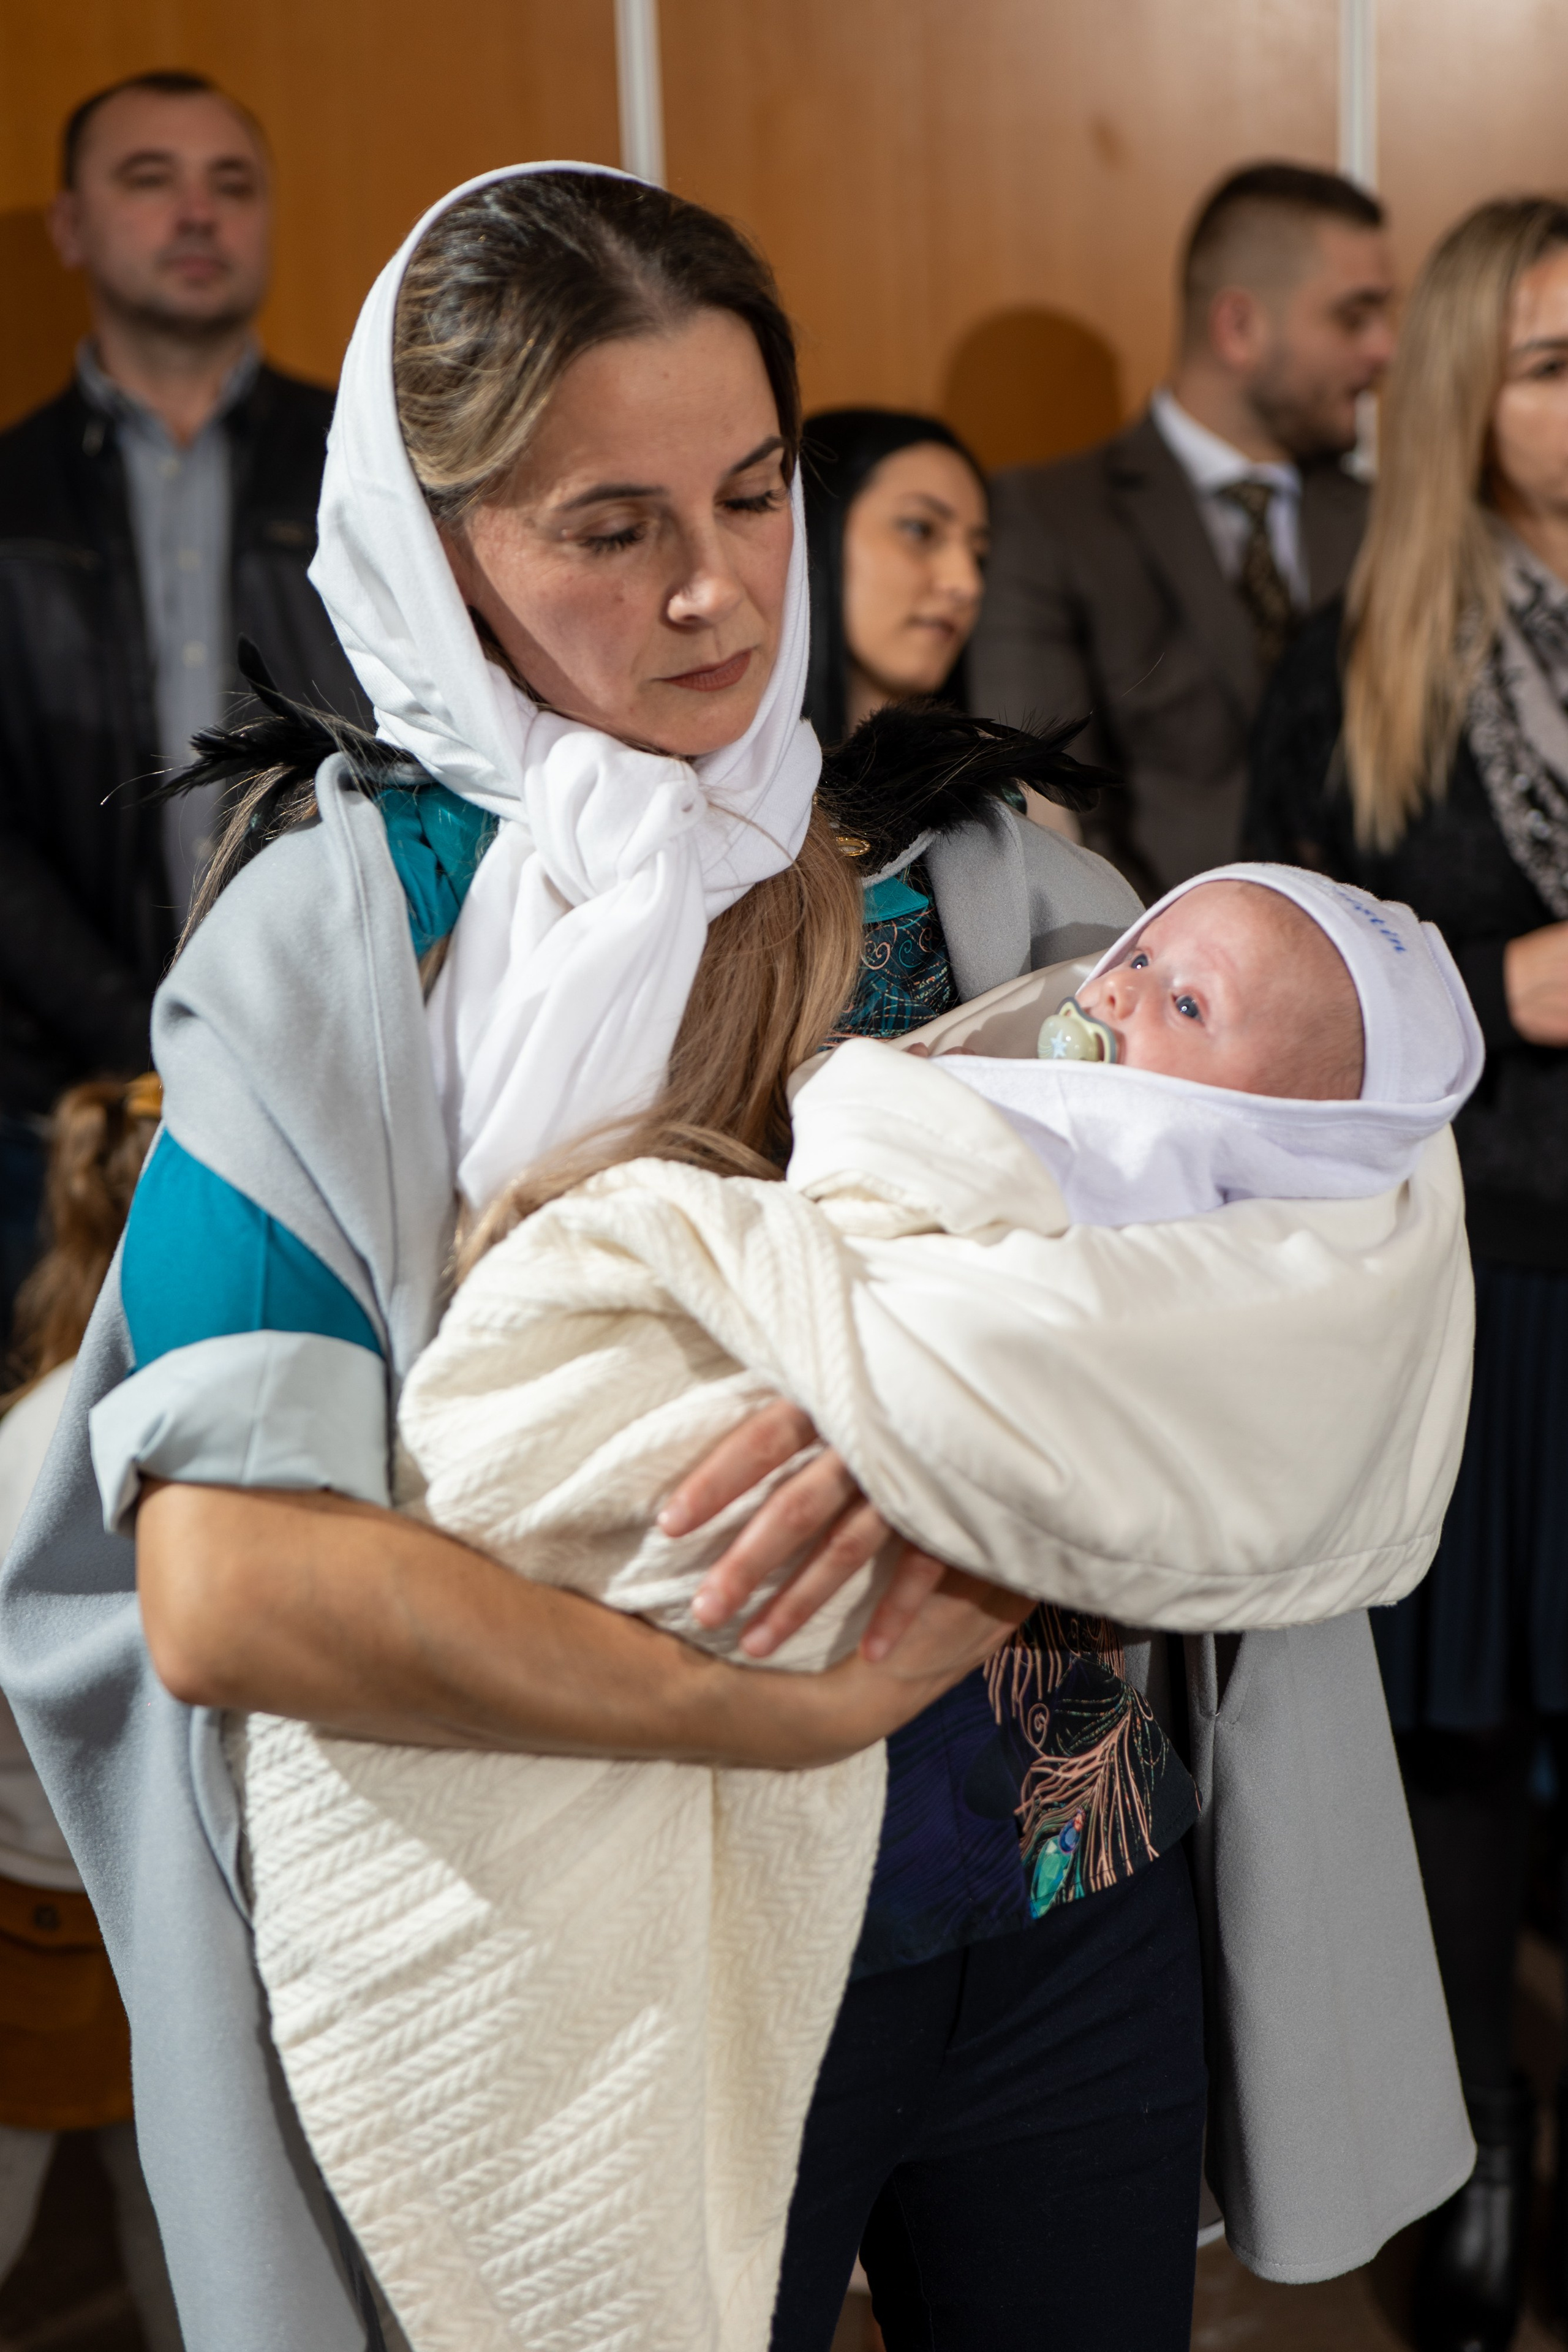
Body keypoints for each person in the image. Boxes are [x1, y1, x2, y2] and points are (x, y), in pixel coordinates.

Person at [0, 166, 1469, 2352]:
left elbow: (1326, 1243)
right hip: (630, 1963)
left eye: (757, 494)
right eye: (608, 528)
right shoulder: (344, 950)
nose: (714, 598)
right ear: (432, 543)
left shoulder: (980, 877)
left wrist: (979, 1443)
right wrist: (753, 1705)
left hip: (1058, 1905)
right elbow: (225, 1587)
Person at [216, 855, 1477, 2350]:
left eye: (1175, 989)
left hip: (1067, 1877)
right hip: (731, 1912)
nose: (1121, 987)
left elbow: (1319, 1291)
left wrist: (962, 1416)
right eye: (1142, 963)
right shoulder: (421, 887)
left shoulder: (1016, 867)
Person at [1246, 194, 1568, 2352]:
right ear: (1465, 392)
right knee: (1457, 1759)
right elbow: (1267, 987)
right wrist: (1497, 977)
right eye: (1553, 363)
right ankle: (1475, 2152)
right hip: (1496, 1277)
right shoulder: (1355, 649)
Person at [0, 69, 364, 1340]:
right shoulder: (13, 495)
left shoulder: (373, 472)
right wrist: (135, 1029)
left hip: (333, 1064)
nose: (197, 215)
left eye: (232, 184)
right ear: (71, 227)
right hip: (53, 1102)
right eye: (150, 180)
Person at [971, 160, 1395, 899]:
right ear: (1238, 327)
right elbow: (1040, 814)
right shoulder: (1044, 519)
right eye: (1352, 317)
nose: (1384, 350)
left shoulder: (1392, 521)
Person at [0, 1074, 180, 2349]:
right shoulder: (69, 1439)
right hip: (61, 1910)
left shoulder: (41, 1420)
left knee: (173, 2231)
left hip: (109, 1904)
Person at [802, 408, 987, 743]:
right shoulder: (695, 789)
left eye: (979, 555)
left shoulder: (1011, 793)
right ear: (812, 528)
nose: (968, 585)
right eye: (920, 529)